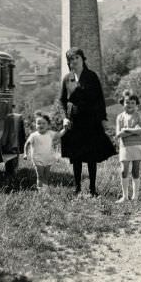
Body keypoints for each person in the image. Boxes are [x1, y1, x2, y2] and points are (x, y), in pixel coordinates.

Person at [60, 47, 116, 196]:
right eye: (71, 59)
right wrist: (65, 117)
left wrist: (103, 118)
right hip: (74, 121)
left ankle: (92, 189)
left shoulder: (92, 76)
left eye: (76, 58)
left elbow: (100, 99)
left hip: (91, 121)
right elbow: (62, 101)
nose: (73, 61)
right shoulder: (67, 78)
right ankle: (77, 188)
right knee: (76, 156)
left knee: (91, 156)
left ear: (82, 59)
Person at [114, 90, 141, 202]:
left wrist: (126, 130)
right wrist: (133, 131)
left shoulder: (138, 115)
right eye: (127, 102)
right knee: (124, 170)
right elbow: (118, 134)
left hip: (137, 145)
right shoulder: (120, 117)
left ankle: (135, 197)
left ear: (136, 104)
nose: (129, 105)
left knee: (135, 170)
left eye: (132, 103)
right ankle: (125, 196)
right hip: (125, 146)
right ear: (123, 103)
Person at [23, 113, 67, 191]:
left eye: (43, 123)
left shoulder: (50, 133)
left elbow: (59, 134)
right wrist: (25, 154)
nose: (41, 125)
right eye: (38, 123)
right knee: (40, 176)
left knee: (46, 176)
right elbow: (27, 144)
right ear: (35, 125)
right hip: (37, 159)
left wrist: (65, 128)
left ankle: (45, 190)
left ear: (48, 125)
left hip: (48, 159)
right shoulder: (34, 135)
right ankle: (40, 191)